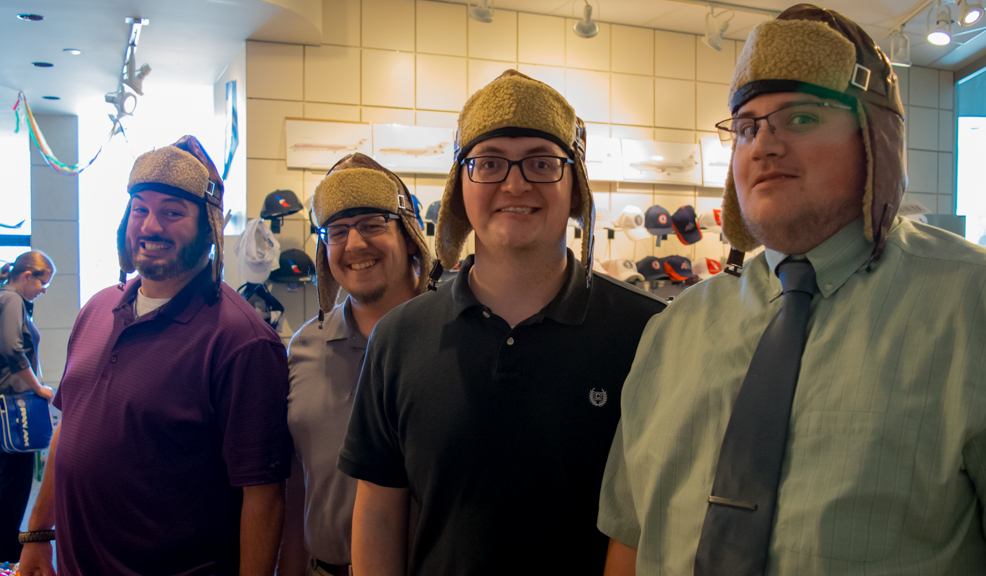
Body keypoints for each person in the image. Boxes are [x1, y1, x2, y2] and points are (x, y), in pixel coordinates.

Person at [599, 5, 986, 575]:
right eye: (746, 127)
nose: (763, 146)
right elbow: (630, 541)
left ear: (876, 139)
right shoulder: (673, 331)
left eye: (800, 117)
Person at [339, 70, 666, 576]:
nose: (515, 184)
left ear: (575, 186)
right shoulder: (400, 338)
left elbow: (653, 519)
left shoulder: (648, 333)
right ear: (460, 186)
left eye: (542, 162)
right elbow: (379, 515)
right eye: (489, 163)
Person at [18, 136, 292, 576]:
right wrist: (37, 534)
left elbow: (264, 495)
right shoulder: (97, 310)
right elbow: (69, 426)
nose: (150, 226)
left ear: (208, 227)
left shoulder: (241, 342)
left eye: (172, 212)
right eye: (140, 209)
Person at [277, 153, 431, 576]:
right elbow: (298, 482)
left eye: (372, 223)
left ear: (410, 235)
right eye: (338, 230)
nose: (355, 244)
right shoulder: (305, 347)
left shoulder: (452, 338)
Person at [0, 251, 55, 562]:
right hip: (13, 404)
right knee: (14, 482)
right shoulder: (12, 300)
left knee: (11, 480)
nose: (43, 290)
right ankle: (7, 548)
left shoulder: (7, 298)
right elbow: (13, 349)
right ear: (27, 276)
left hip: (9, 402)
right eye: (43, 283)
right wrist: (38, 388)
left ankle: (7, 544)